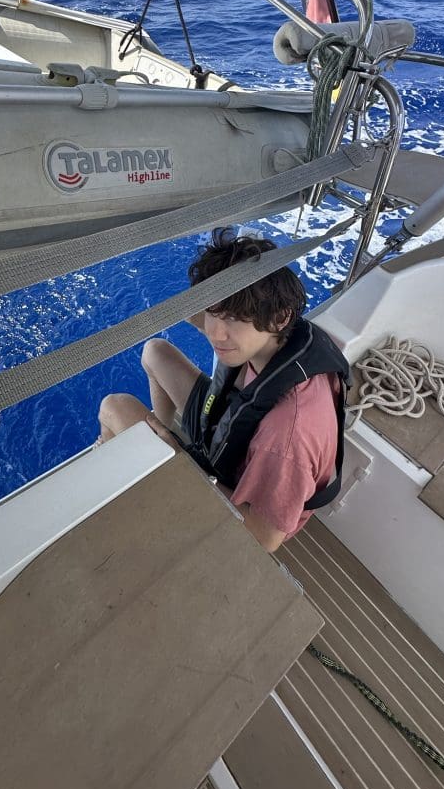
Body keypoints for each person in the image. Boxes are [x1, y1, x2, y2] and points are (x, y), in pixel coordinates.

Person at [98, 227, 349, 552]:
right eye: (212, 311)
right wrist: (210, 307)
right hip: (228, 432)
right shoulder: (276, 337)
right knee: (155, 352)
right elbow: (216, 321)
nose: (215, 333)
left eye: (232, 318)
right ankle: (155, 445)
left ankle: (143, 466)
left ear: (279, 317)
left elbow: (266, 539)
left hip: (241, 490)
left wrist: (175, 455)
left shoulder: (287, 436)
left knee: (114, 407)